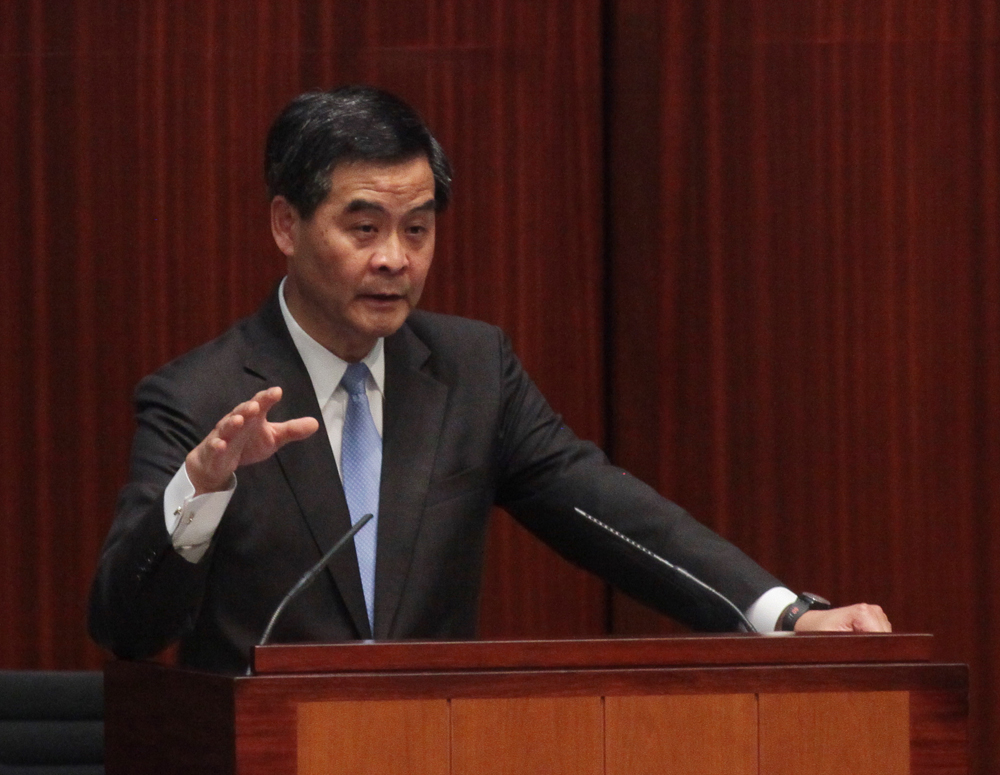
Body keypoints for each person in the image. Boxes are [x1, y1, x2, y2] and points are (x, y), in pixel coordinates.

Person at [88, 85, 890, 674]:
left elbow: (610, 513)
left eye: (417, 229)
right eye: (363, 227)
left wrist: (784, 614)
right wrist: (200, 490)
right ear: (286, 225)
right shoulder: (200, 398)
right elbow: (125, 626)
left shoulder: (472, 372)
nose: (394, 258)